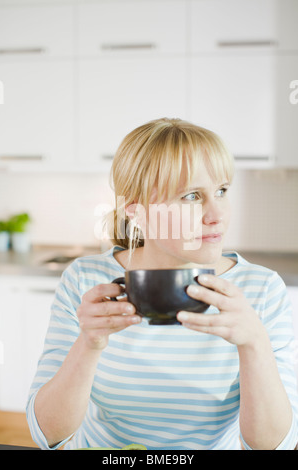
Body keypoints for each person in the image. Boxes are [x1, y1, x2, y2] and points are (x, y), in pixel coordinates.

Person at [26, 118, 298, 450]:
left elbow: (274, 445)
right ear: (137, 213)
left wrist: (254, 343)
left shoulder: (262, 290)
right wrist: (88, 344)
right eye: (192, 196)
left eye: (222, 191)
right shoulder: (85, 280)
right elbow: (46, 435)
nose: (217, 214)